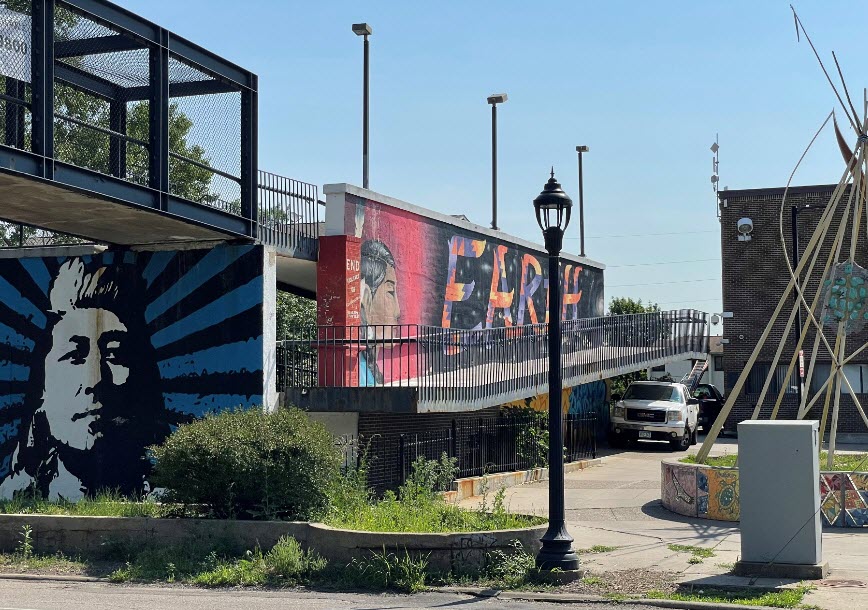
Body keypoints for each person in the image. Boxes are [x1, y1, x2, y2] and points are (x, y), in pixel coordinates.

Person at [0, 257, 181, 499]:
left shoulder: (171, 497)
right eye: (75, 355)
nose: (94, 380)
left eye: (114, 354)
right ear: (43, 385)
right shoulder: (14, 495)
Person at [359, 240, 400, 385]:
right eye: (390, 292)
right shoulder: (358, 373)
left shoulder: (371, 372)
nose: (398, 311)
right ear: (366, 299)